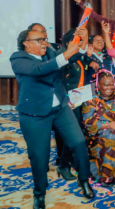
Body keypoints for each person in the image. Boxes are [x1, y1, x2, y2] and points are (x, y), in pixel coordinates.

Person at [10, 28, 94, 208]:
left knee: (79, 143)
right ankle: (39, 193)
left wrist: (83, 42)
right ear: (26, 43)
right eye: (39, 39)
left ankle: (84, 179)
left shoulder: (49, 51)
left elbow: (70, 58)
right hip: (34, 114)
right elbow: (40, 69)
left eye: (45, 39)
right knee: (39, 156)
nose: (44, 42)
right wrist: (67, 53)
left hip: (60, 108)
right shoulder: (18, 58)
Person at [82, 70, 115, 187]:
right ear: (98, 85)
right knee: (111, 136)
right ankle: (106, 177)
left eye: (111, 84)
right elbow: (88, 121)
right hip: (98, 131)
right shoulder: (91, 98)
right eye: (105, 85)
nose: (109, 88)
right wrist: (108, 125)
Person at [56, 29, 94, 181]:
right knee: (70, 132)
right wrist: (65, 98)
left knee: (76, 132)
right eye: (78, 41)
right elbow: (57, 79)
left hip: (78, 98)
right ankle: (63, 164)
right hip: (66, 100)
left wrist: (89, 58)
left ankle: (68, 161)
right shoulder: (61, 56)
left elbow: (83, 73)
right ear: (68, 42)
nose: (80, 43)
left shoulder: (78, 55)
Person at [75, 0, 115, 80]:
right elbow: (96, 16)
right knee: (113, 85)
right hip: (114, 63)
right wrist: (81, 3)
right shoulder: (113, 25)